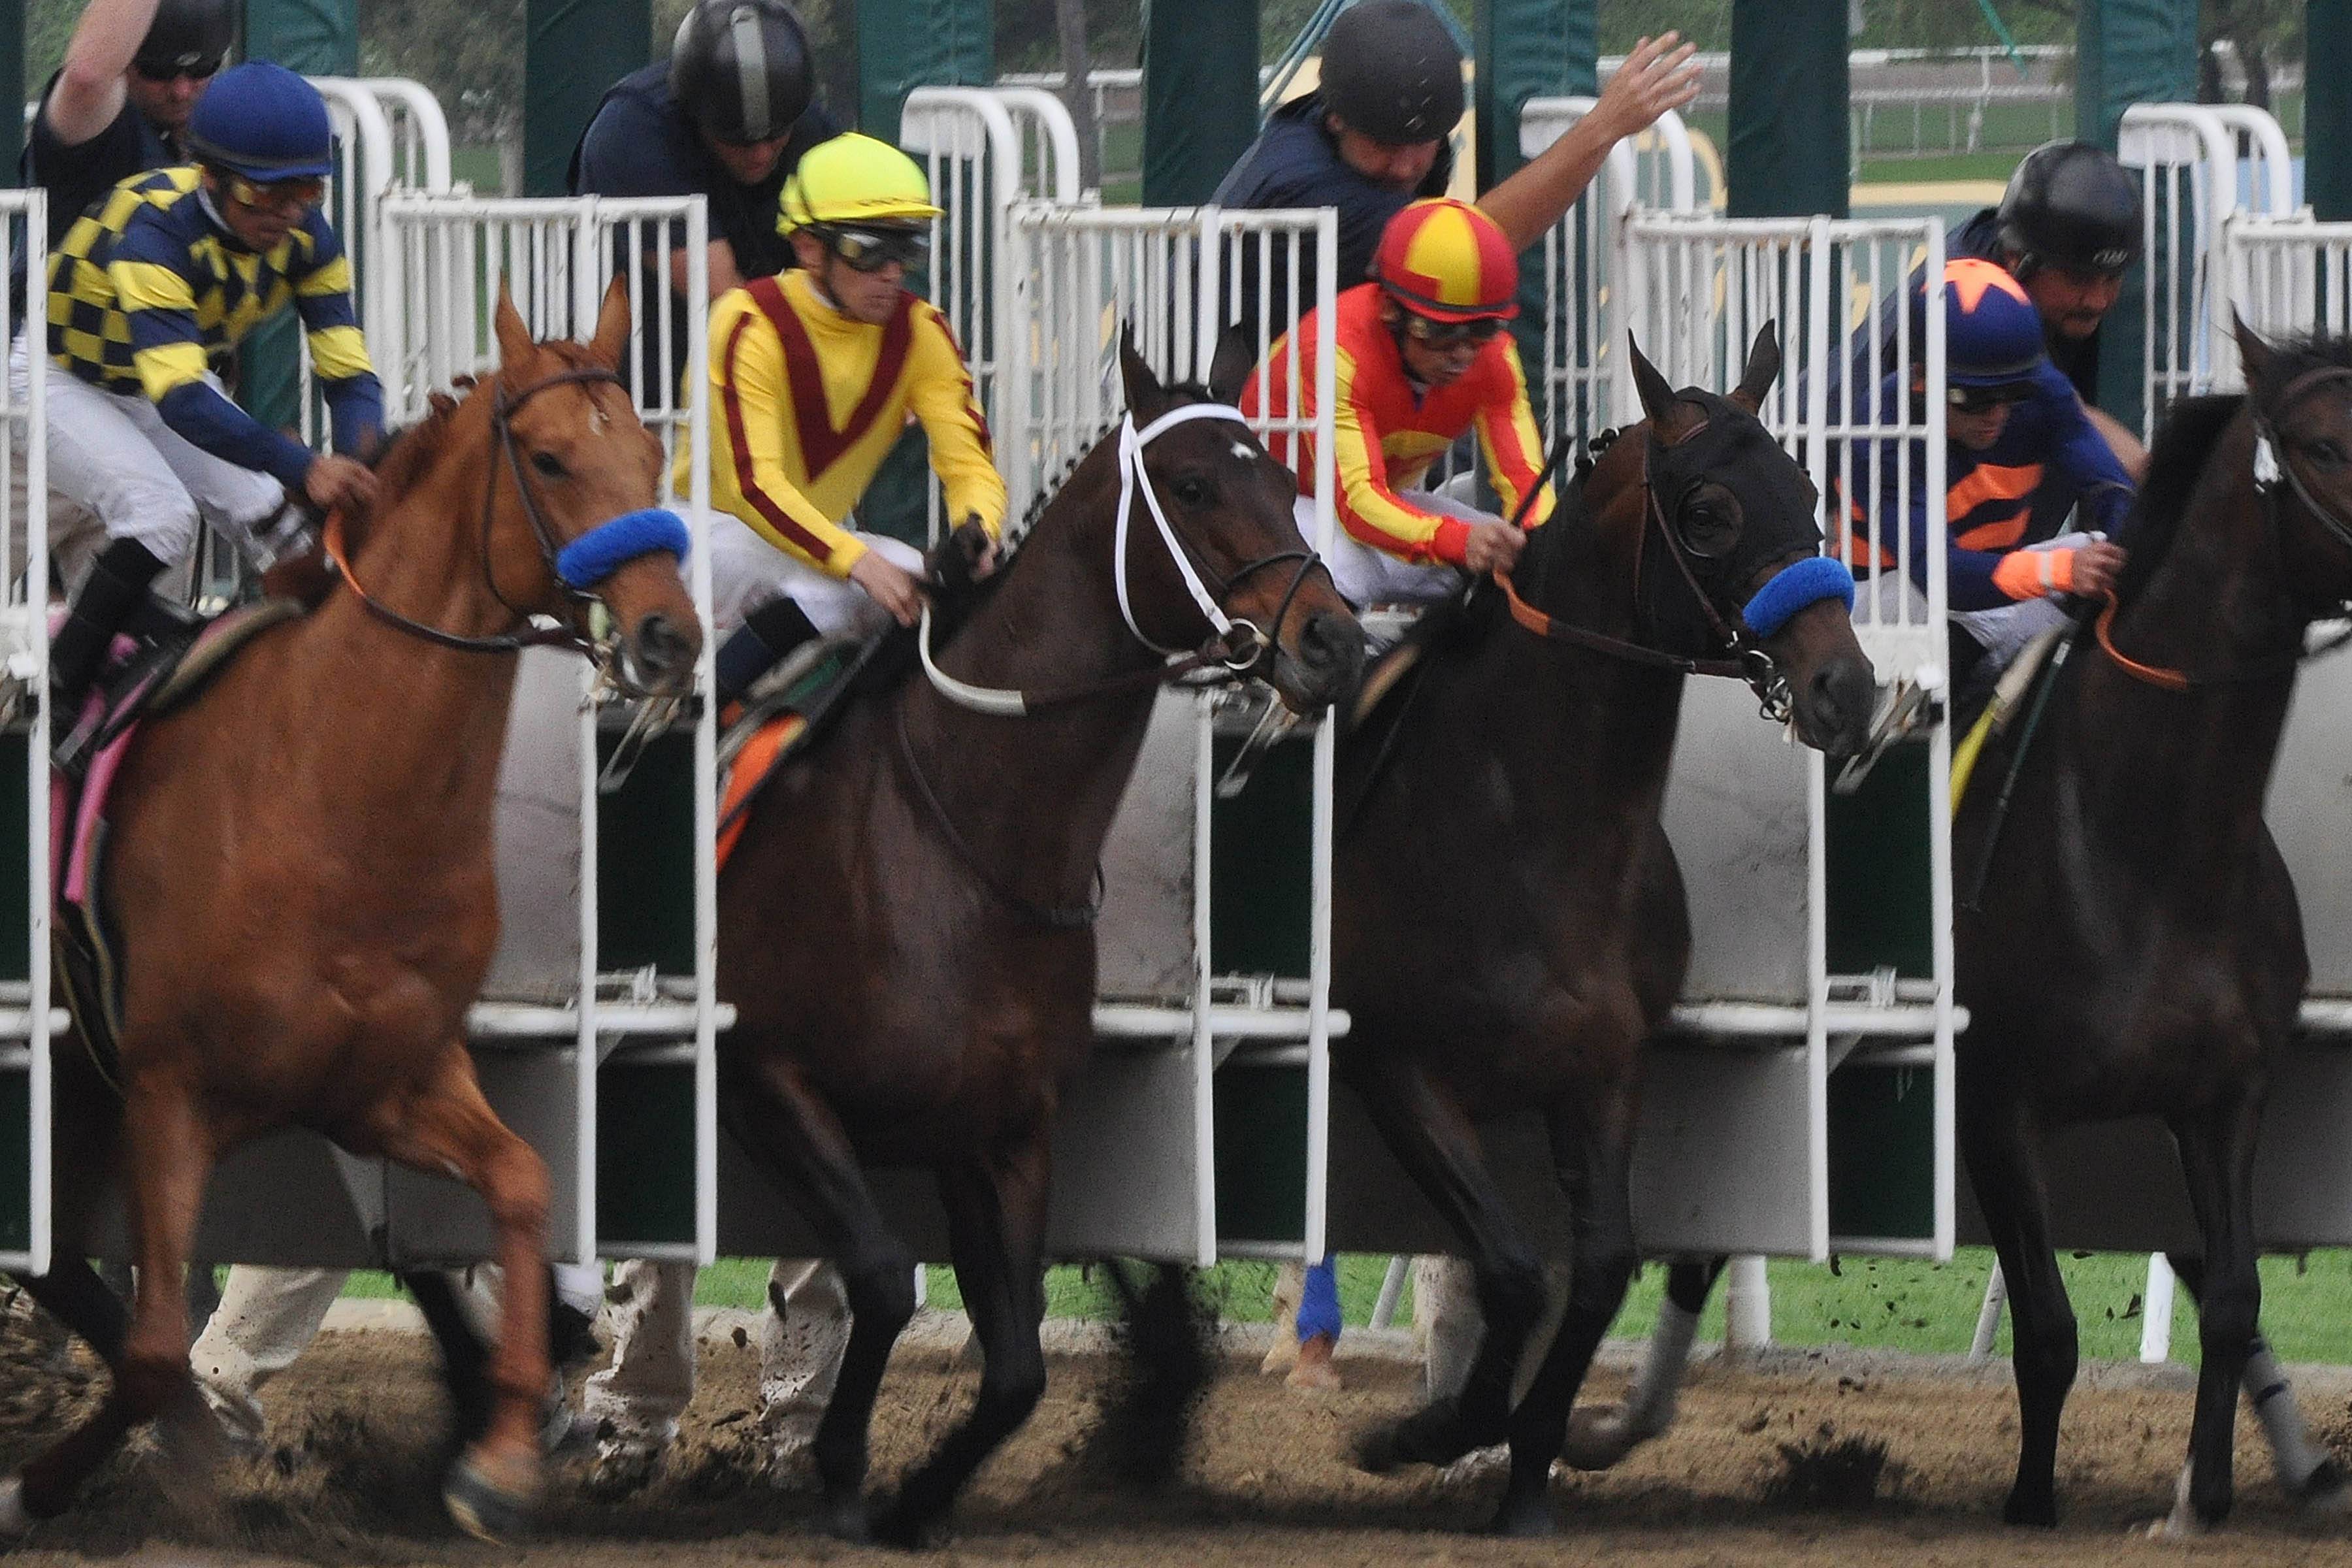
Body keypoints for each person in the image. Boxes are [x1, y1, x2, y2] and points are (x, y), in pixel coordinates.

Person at [586, 135, 1007, 1494]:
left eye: (907, 251)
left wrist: (981, 529)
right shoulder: (745, 318)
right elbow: (762, 486)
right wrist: (864, 563)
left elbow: (966, 452)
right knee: (834, 581)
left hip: (824, 570)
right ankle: (671, 770)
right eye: (870, 251)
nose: (893, 277)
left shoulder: (923, 330)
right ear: (809, 247)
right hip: (723, 544)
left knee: (932, 589)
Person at [41, 61, 383, 757]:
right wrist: (303, 463)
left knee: (283, 528)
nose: (288, 213)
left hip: (147, 379)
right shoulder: (154, 232)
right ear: (211, 179)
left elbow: (349, 375)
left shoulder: (311, 239)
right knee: (161, 515)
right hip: (54, 373)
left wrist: (359, 457)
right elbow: (188, 403)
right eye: (266, 191)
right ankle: (61, 695)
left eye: (308, 190)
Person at [1213, 4, 1699, 340]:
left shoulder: (1344, 130)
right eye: (1385, 144)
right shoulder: (1307, 184)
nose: (1406, 166)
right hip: (1219, 436)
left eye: (1422, 144)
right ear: (1336, 118)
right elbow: (1470, 246)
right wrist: (1603, 126)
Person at [1853, 257, 2134, 711]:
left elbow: (2112, 492)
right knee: (1948, 599)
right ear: (1922, 378)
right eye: (1973, 398)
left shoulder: (2044, 389)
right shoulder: (1884, 426)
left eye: (2013, 394)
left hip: (1988, 578)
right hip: (1886, 598)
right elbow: (1939, 575)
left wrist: (2124, 552)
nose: (1996, 415)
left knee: (2105, 551)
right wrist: (2060, 572)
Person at [1243, 197, 1549, 612]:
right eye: (1438, 331)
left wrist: (1536, 544)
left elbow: (1526, 479)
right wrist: (1459, 541)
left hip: (1365, 504)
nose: (1460, 355)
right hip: (1271, 505)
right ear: (1390, 310)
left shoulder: (1496, 358)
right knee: (1352, 568)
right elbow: (1357, 503)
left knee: (1512, 560)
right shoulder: (1336, 350)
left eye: (1482, 329)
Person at [569, 0, 840, 388]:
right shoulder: (631, 132)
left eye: (777, 133)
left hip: (755, 372)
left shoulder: (814, 133)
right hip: (627, 392)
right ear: (693, 114)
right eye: (736, 139)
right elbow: (723, 295)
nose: (762, 153)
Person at [1859, 141, 2147, 482]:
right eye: (2078, 278)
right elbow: (2070, 418)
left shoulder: (2030, 268)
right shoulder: (1967, 300)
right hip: (1830, 486)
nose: (2098, 300)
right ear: (2015, 258)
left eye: (2113, 279)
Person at [24, 0, 231, 249]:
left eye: (201, 69)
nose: (181, 91)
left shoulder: (225, 132)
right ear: (124, 65)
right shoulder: (101, 128)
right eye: (157, 71)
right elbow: (87, 79)